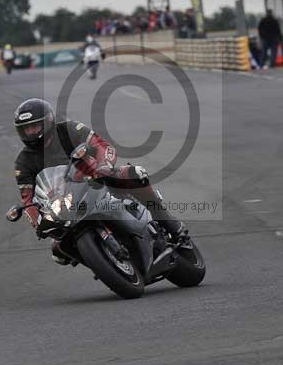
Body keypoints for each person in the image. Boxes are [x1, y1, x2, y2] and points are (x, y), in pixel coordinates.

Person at [10, 99, 187, 265]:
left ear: (48, 121)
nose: (32, 132)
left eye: (35, 126)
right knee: (58, 250)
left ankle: (170, 223)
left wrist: (104, 166)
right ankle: (101, 260)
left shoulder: (68, 129)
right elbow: (28, 198)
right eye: (27, 129)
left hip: (94, 177)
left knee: (132, 174)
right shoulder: (23, 162)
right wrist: (38, 221)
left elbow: (101, 145)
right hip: (65, 202)